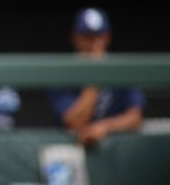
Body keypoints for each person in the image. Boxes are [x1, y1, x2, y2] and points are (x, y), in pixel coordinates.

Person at [49, 8, 145, 146]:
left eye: (98, 36)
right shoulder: (61, 72)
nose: (93, 44)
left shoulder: (121, 69)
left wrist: (103, 127)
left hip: (117, 148)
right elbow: (74, 122)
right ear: (75, 38)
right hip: (74, 147)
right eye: (87, 37)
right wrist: (94, 76)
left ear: (107, 38)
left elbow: (135, 117)